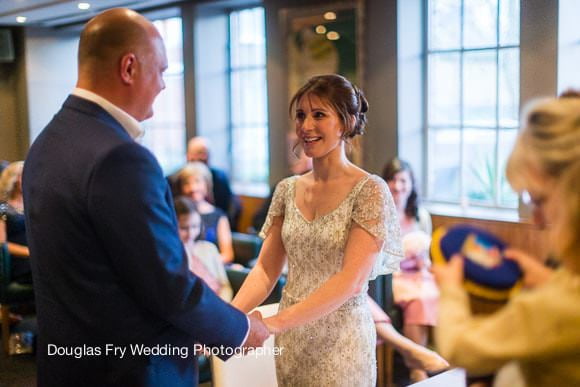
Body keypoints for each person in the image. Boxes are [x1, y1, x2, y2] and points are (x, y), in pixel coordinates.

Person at [22, 8, 268, 386]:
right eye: (162, 70)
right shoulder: (120, 158)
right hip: (131, 370)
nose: (164, 85)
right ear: (129, 68)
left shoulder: (48, 141)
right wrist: (238, 330)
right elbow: (167, 283)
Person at [231, 74, 403, 386]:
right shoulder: (285, 190)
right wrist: (225, 321)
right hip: (293, 341)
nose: (306, 125)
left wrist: (273, 324)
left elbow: (351, 281)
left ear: (347, 122)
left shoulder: (370, 191)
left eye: (319, 115)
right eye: (301, 115)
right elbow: (266, 271)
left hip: (342, 342)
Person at [433, 96, 580, 387]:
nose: (537, 220)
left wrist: (450, 289)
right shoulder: (563, 290)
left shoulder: (554, 309)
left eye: (539, 200)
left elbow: (460, 347)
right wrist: (548, 280)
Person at [382, 157, 441, 381]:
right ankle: (416, 366)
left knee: (430, 293)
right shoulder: (381, 214)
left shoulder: (420, 215)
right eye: (393, 180)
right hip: (393, 274)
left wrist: (422, 261)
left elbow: (426, 256)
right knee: (417, 298)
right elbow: (379, 258)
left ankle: (422, 359)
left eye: (403, 181)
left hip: (417, 272)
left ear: (411, 184)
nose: (398, 186)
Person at [174, 196, 233, 301]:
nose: (191, 234)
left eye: (195, 226)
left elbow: (225, 287)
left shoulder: (209, 248)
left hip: (219, 306)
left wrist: (223, 307)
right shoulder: (170, 255)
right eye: (184, 228)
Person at [176, 162, 234, 263]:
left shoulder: (219, 215)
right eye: (187, 183)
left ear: (207, 184)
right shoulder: (175, 213)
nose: (192, 188)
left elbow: (227, 255)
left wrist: (203, 263)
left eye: (197, 181)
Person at [186, 136, 241, 229]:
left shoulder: (220, 177)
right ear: (188, 155)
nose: (203, 157)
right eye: (199, 153)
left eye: (206, 153)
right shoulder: (176, 179)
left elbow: (226, 208)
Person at [0, 161, 31, 285]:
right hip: (19, 262)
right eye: (23, 175)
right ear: (13, 179)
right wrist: (28, 252)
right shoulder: (2, 207)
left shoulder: (31, 203)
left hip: (36, 257)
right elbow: (2, 244)